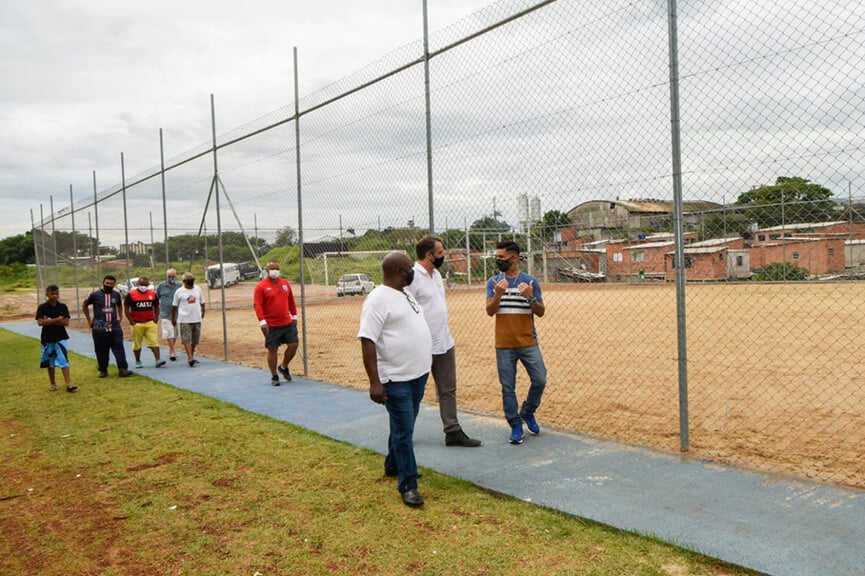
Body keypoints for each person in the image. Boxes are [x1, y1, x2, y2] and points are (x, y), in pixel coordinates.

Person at [358, 251, 432, 508]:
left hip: (417, 374)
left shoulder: (405, 293)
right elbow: (367, 340)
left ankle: (392, 465)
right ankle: (408, 484)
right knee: (404, 431)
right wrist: (375, 382)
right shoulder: (377, 300)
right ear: (400, 272)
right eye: (409, 267)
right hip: (396, 378)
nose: (413, 270)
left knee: (405, 425)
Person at [406, 235, 481, 447]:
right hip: (420, 344)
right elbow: (404, 307)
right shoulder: (413, 277)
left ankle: (452, 431)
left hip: (444, 342)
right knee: (414, 390)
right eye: (440, 253)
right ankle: (404, 431)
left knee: (448, 389)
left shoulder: (437, 274)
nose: (443, 256)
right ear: (429, 255)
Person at [485, 240, 547, 445]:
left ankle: (527, 412)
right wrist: (498, 295)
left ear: (514, 258)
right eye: (497, 257)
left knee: (540, 379)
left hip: (528, 342)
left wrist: (530, 297)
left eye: (501, 257)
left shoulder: (530, 282)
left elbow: (540, 312)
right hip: (504, 345)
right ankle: (515, 425)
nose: (497, 260)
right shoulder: (494, 282)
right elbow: (490, 311)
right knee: (507, 387)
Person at [253, 259, 299, 386]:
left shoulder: (285, 283)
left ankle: (283, 366)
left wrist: (294, 315)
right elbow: (258, 305)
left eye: (277, 268)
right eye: (272, 268)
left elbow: (291, 300)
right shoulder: (261, 286)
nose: (275, 271)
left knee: (294, 344)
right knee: (272, 349)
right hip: (271, 325)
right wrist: (262, 321)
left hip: (287, 322)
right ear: (267, 271)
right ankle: (274, 376)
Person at [83, 274, 133, 378]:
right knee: (101, 349)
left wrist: (120, 316)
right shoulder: (95, 295)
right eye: (107, 283)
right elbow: (85, 305)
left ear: (114, 284)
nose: (109, 285)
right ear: (103, 282)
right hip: (99, 326)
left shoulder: (116, 294)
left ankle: (123, 369)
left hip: (114, 326)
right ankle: (103, 369)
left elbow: (120, 305)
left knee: (119, 346)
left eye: (111, 284)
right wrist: (88, 319)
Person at [35, 284, 76, 392]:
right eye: (52, 294)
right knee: (50, 361)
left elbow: (66, 322)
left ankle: (68, 384)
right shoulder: (42, 307)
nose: (54, 296)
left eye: (56, 293)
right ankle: (53, 384)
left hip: (61, 337)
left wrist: (48, 320)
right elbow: (40, 322)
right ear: (47, 294)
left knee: (64, 360)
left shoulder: (63, 307)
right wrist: (57, 319)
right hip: (47, 338)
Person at [124, 276, 166, 369]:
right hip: (137, 323)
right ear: (138, 284)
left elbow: (156, 306)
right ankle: (138, 360)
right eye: (142, 284)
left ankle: (158, 360)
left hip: (150, 322)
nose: (143, 286)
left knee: (154, 341)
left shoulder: (152, 294)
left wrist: (156, 318)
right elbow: (126, 308)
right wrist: (131, 321)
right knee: (137, 343)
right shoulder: (131, 294)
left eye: (145, 285)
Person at [171, 272, 205, 367]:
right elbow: (174, 306)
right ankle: (190, 358)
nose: (191, 282)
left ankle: (192, 356)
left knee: (194, 340)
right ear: (184, 281)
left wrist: (203, 310)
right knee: (187, 339)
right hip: (184, 319)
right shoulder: (179, 292)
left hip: (196, 318)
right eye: (189, 280)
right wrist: (173, 318)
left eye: (192, 280)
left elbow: (202, 301)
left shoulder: (198, 289)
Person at [155, 268, 180, 361]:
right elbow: (156, 298)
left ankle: (172, 348)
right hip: (165, 313)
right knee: (169, 332)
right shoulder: (161, 286)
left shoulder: (179, 285)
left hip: (177, 313)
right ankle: (172, 351)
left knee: (175, 333)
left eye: (173, 277)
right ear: (166, 277)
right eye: (169, 277)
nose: (171, 278)